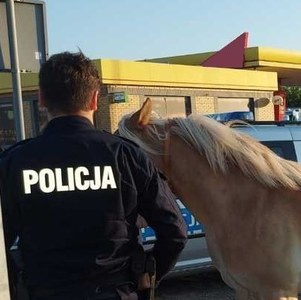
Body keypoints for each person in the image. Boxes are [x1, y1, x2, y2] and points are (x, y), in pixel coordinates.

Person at [0, 51, 187, 300]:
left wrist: (17, 284)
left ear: (42, 99)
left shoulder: (14, 163)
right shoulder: (127, 156)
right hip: (116, 291)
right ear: (95, 100)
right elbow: (175, 231)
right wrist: (147, 275)